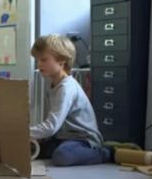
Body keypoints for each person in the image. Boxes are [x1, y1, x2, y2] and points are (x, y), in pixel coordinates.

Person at [31, 34, 111, 166]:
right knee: (32, 149)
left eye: (44, 60)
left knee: (62, 156)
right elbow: (51, 123)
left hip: (83, 139)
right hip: (62, 137)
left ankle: (105, 152)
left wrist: (24, 132)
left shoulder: (67, 88)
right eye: (37, 60)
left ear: (61, 61)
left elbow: (51, 126)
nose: (39, 64)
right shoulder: (51, 84)